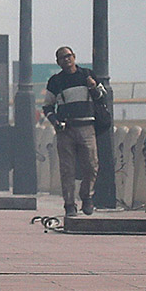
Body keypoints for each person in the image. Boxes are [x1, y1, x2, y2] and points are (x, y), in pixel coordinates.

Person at [43, 46, 106, 216]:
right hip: (66, 130)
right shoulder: (55, 81)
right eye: (62, 58)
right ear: (58, 62)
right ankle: (69, 204)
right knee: (67, 169)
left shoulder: (87, 75)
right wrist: (54, 121)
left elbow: (102, 96)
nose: (66, 60)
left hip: (87, 127)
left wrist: (93, 87)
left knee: (92, 165)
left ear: (74, 57)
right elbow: (48, 106)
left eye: (68, 56)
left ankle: (87, 196)